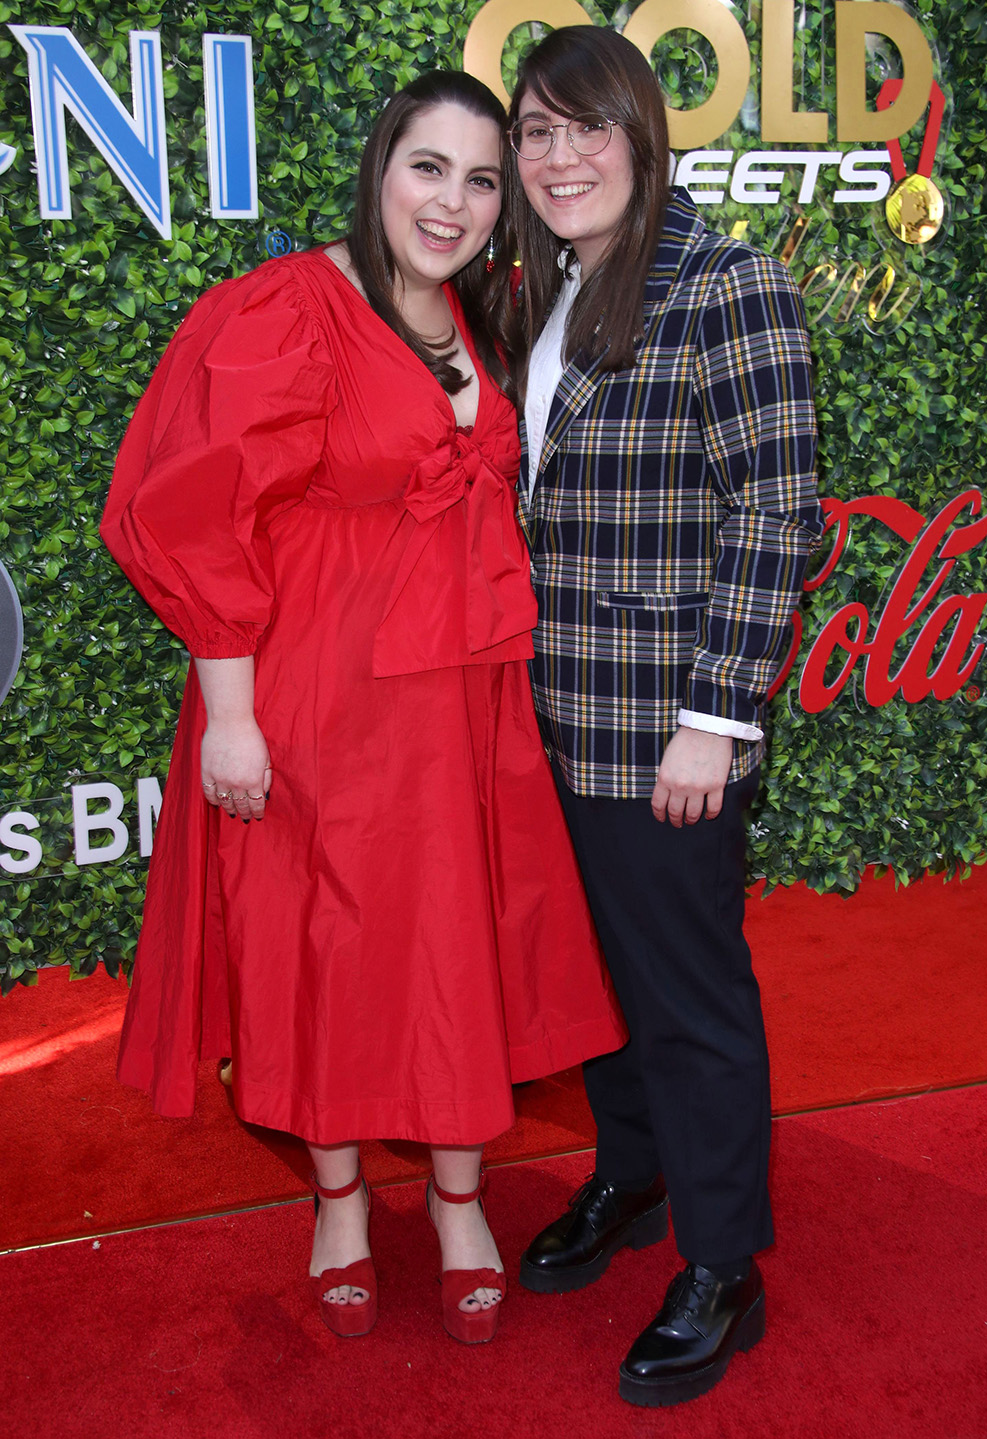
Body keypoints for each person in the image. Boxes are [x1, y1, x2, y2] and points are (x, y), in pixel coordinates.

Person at [101, 70, 625, 1346]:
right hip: (314, 695)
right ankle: (338, 1199)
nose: (451, 201)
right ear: (380, 164)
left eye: (482, 178)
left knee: (452, 946)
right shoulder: (285, 307)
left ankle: (458, 1202)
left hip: (457, 703)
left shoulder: (487, 314)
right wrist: (232, 717)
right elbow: (192, 516)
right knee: (318, 948)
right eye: (428, 167)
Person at [505, 27, 824, 1404]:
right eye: (536, 132)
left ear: (643, 136)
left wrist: (717, 711)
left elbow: (776, 510)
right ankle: (631, 1174)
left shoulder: (725, 282)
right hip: (552, 712)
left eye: (587, 128)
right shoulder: (546, 293)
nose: (560, 156)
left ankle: (723, 1261)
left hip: (665, 725)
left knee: (689, 999)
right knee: (601, 989)